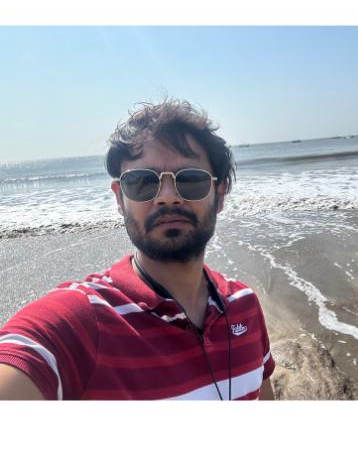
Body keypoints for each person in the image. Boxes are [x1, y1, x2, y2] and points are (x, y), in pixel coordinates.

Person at [0, 99, 275, 400]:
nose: (167, 197)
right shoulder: (82, 321)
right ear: (119, 199)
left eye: (190, 180)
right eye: (142, 181)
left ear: (219, 195)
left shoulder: (244, 305)